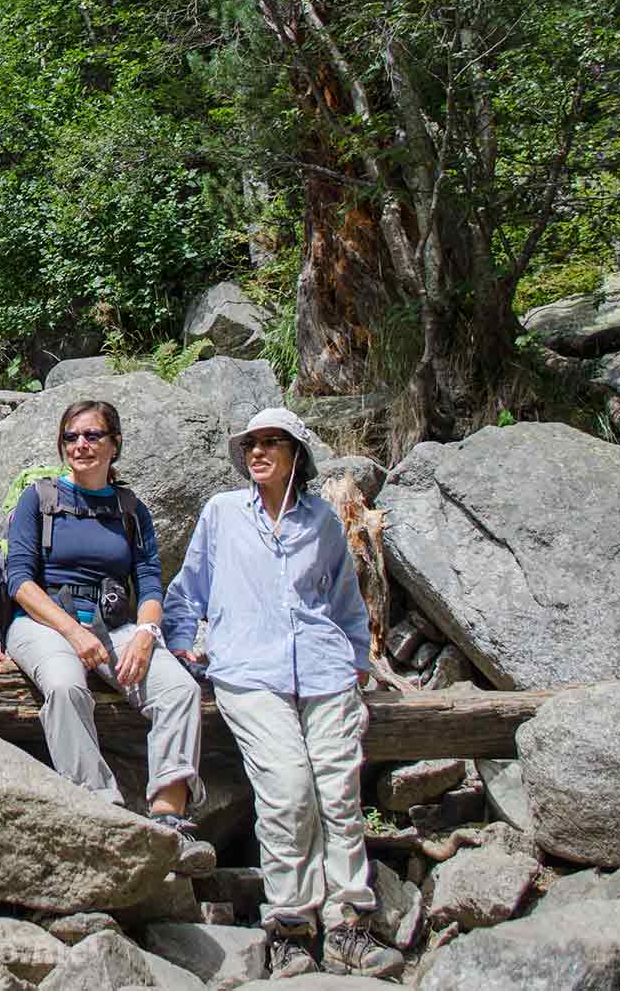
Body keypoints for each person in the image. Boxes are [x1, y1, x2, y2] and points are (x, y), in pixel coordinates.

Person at [161, 407, 403, 981]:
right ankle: (291, 927)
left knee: (339, 797)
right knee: (290, 792)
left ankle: (349, 926)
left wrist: (357, 658)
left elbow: (344, 598)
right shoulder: (222, 514)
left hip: (324, 672)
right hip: (247, 671)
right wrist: (180, 644)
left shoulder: (321, 521)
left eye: (272, 442)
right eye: (251, 443)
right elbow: (188, 587)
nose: (258, 452)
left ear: (297, 454)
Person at [1, 400, 215, 872]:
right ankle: (99, 807)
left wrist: (146, 632)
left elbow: (150, 580)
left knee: (179, 689)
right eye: (72, 436)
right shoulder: (38, 500)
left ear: (114, 444)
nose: (81, 445)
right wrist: (74, 633)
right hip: (43, 623)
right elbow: (19, 581)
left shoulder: (130, 509)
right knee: (64, 685)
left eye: (93, 435)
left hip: (116, 626)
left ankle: (167, 814)